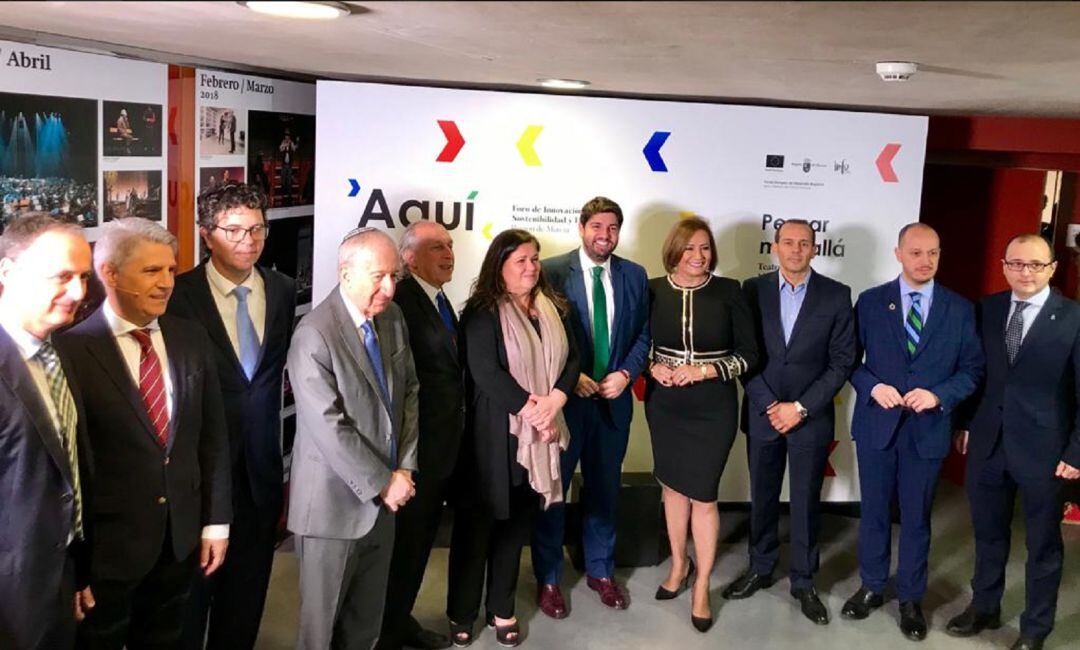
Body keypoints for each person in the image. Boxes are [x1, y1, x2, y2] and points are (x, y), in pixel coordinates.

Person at [57, 218, 232, 650]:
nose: (166, 283)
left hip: (179, 542)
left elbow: (211, 436)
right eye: (151, 271)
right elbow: (71, 466)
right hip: (107, 553)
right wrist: (76, 562)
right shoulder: (69, 351)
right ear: (110, 274)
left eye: (171, 270)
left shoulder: (191, 338)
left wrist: (215, 521)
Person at [170, 183, 296, 650]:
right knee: (189, 604)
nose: (249, 240)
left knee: (245, 602)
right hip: (199, 480)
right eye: (234, 230)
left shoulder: (280, 290)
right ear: (207, 234)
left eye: (258, 228)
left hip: (261, 473)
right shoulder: (179, 296)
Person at [843, 222, 983, 642]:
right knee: (873, 514)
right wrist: (873, 386)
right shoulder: (870, 303)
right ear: (898, 253)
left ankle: (909, 598)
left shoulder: (959, 309)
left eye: (933, 253)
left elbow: (973, 370)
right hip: (878, 427)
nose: (926, 261)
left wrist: (939, 395)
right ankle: (870, 586)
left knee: (917, 519)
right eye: (917, 253)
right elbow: (849, 361)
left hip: (928, 429)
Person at [286, 227, 420, 650]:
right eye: (379, 276)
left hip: (386, 503)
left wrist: (405, 468)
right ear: (346, 274)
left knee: (366, 624)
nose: (390, 287)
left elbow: (410, 393)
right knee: (320, 631)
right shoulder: (314, 334)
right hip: (332, 508)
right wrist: (384, 481)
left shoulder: (393, 318)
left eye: (394, 276)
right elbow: (329, 427)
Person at [448, 229, 579, 647]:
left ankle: (501, 608)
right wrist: (535, 411)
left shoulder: (552, 307)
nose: (531, 267)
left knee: (513, 527)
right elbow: (485, 372)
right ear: (499, 266)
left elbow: (573, 358)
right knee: (478, 527)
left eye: (535, 258)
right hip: (494, 435)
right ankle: (462, 611)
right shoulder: (482, 311)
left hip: (539, 433)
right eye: (521, 259)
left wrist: (554, 400)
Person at [948, 234, 1080, 650]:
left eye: (1036, 265)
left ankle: (1034, 628)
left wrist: (1077, 452)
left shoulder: (1074, 318)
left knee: (1043, 544)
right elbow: (977, 375)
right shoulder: (986, 310)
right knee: (988, 534)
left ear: (1052, 268)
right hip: (988, 442)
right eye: (1017, 263)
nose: (1026, 272)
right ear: (1004, 266)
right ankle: (984, 607)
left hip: (1047, 451)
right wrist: (966, 422)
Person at [724, 219, 855, 625]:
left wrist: (798, 407)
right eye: (788, 242)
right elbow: (742, 353)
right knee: (762, 496)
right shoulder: (752, 290)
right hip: (763, 415)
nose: (796, 249)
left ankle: (804, 580)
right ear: (774, 248)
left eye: (804, 243)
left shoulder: (837, 296)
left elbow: (841, 362)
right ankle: (760, 569)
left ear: (815, 249)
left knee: (804, 502)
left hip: (809, 419)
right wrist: (769, 404)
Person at [531, 196, 650, 618]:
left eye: (613, 228)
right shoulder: (550, 272)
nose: (605, 236)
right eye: (597, 227)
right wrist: (569, 376)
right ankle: (548, 578)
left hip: (613, 403)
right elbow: (540, 335)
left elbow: (643, 335)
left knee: (605, 490)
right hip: (566, 405)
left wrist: (627, 374)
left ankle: (601, 571)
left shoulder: (635, 276)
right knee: (554, 490)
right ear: (582, 228)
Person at [645, 217, 757, 633]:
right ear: (674, 250)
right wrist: (652, 366)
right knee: (673, 488)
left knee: (704, 496)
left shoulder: (730, 292)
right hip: (666, 405)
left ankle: (702, 585)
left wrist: (706, 371)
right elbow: (637, 344)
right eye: (689, 248)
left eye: (705, 248)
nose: (698, 256)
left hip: (713, 407)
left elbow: (749, 355)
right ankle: (679, 565)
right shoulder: (652, 289)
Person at [0, 214, 93, 650]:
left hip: (57, 586)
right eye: (62, 276)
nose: (79, 293)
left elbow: (66, 476)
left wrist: (75, 570)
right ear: (7, 273)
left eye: (83, 277)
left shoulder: (62, 351)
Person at [378, 221, 463, 650]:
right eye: (435, 248)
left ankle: (397, 621)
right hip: (414, 455)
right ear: (408, 259)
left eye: (449, 245)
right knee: (403, 549)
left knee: (418, 546)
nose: (448, 253)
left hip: (442, 452)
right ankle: (384, 629)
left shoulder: (442, 299)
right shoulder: (400, 306)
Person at [278, 129, 298, 207]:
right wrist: (284, 145)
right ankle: (283, 194)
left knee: (289, 180)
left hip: (289, 165)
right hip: (284, 164)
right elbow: (280, 149)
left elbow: (294, 149)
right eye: (286, 136)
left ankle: (289, 196)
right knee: (283, 180)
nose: (287, 137)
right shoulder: (283, 142)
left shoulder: (291, 142)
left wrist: (296, 142)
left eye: (288, 136)